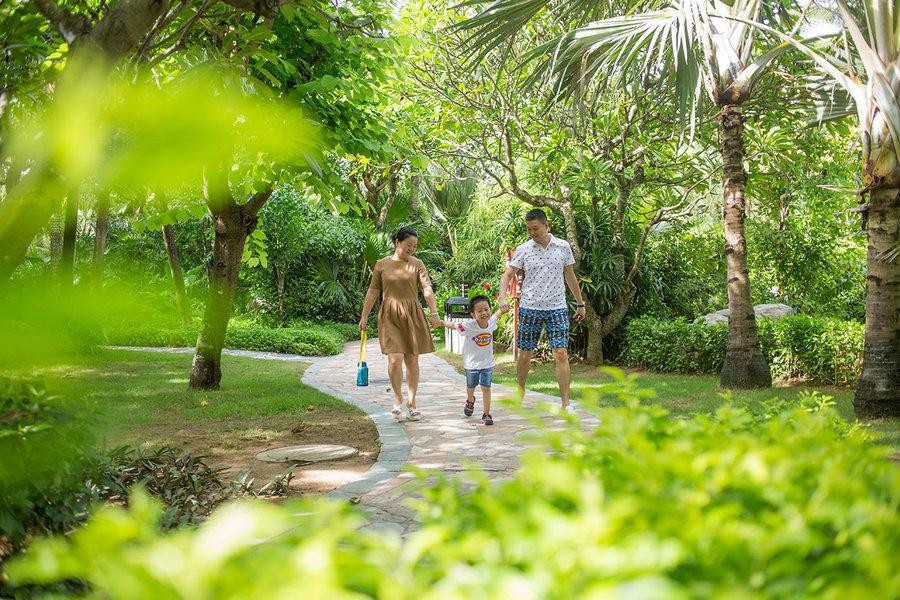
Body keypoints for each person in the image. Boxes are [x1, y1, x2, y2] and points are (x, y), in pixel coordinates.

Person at [498, 209, 586, 412]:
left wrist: (580, 303)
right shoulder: (524, 249)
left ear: (547, 226)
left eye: (535, 228)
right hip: (530, 307)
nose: (532, 233)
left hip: (557, 307)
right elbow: (507, 275)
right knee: (525, 354)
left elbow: (570, 276)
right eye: (528, 229)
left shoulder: (563, 246)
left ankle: (565, 404)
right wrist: (502, 297)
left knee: (561, 353)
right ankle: (520, 392)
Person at [359, 226, 442, 421]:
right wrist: (364, 316)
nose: (412, 249)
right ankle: (398, 398)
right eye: (408, 245)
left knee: (412, 360)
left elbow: (427, 288)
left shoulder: (417, 264)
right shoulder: (381, 264)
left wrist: (434, 312)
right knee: (394, 359)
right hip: (390, 315)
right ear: (397, 242)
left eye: (415, 246)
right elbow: (373, 291)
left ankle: (412, 404)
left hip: (412, 314)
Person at [438, 295, 506, 426]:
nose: (484, 313)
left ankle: (486, 414)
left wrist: (502, 308)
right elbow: (454, 325)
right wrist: (441, 322)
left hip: (487, 363)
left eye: (486, 309)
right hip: (471, 364)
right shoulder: (469, 326)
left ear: (490, 310)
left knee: (486, 388)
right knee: (471, 386)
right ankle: (470, 400)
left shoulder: (491, 322)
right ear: (473, 315)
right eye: (479, 311)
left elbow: (498, 314)